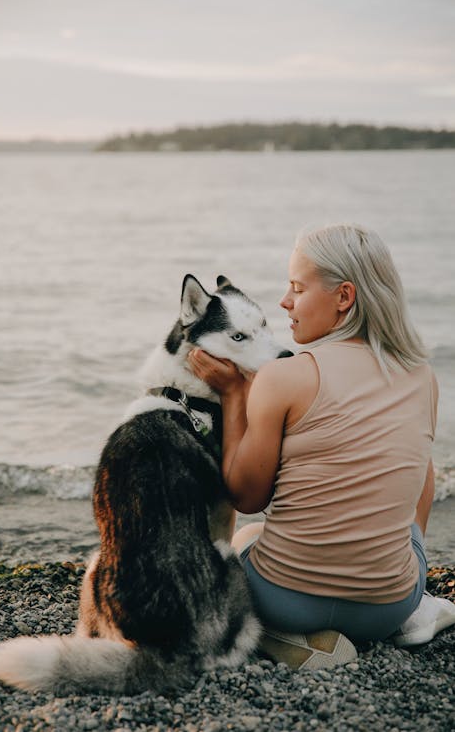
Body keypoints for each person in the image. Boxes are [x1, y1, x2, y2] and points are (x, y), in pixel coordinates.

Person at [188, 223, 455, 670]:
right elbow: (411, 481)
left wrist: (234, 395)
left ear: (344, 297)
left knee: (247, 536)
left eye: (296, 288)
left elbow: (248, 496)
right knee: (419, 467)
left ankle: (282, 638)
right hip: (388, 604)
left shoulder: (283, 376)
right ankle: (417, 607)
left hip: (285, 601)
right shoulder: (422, 376)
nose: (284, 302)